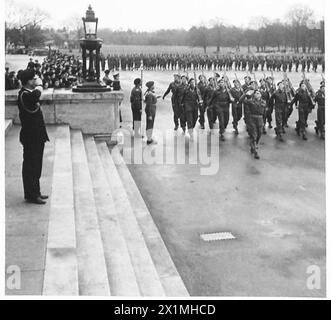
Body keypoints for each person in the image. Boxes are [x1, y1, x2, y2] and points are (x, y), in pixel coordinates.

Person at [17, 69, 49, 204]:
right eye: (34, 79)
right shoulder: (24, 94)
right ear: (29, 81)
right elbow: (36, 95)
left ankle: (36, 191)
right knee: (31, 165)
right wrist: (40, 85)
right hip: (31, 137)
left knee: (36, 165)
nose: (35, 80)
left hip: (36, 135)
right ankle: (31, 194)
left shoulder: (28, 94)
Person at [240, 90, 266, 159]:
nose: (258, 95)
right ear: (254, 95)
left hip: (260, 119)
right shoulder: (250, 101)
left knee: (259, 133)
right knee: (254, 135)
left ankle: (254, 144)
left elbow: (264, 111)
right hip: (252, 119)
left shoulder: (263, 101)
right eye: (256, 93)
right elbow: (241, 100)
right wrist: (245, 94)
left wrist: (264, 121)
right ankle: (255, 151)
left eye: (259, 93)